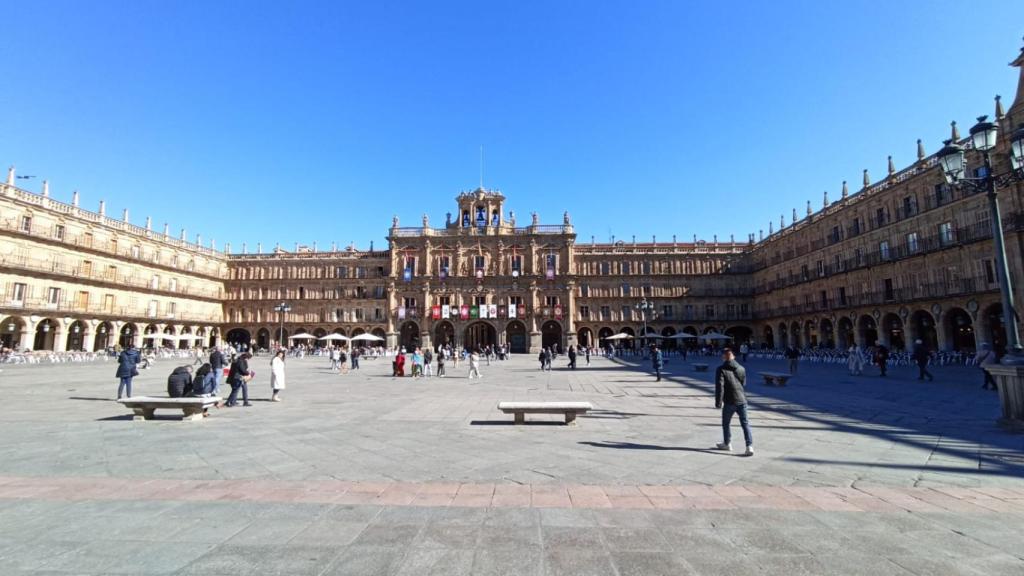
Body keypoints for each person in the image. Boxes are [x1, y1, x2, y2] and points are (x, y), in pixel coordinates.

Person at [715, 348, 753, 456]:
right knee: (745, 424)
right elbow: (743, 383)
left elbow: (720, 387)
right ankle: (749, 446)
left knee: (726, 423)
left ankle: (727, 443)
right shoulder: (741, 368)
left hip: (729, 401)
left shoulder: (721, 369)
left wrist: (718, 402)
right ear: (734, 357)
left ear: (723, 357)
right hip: (742, 399)